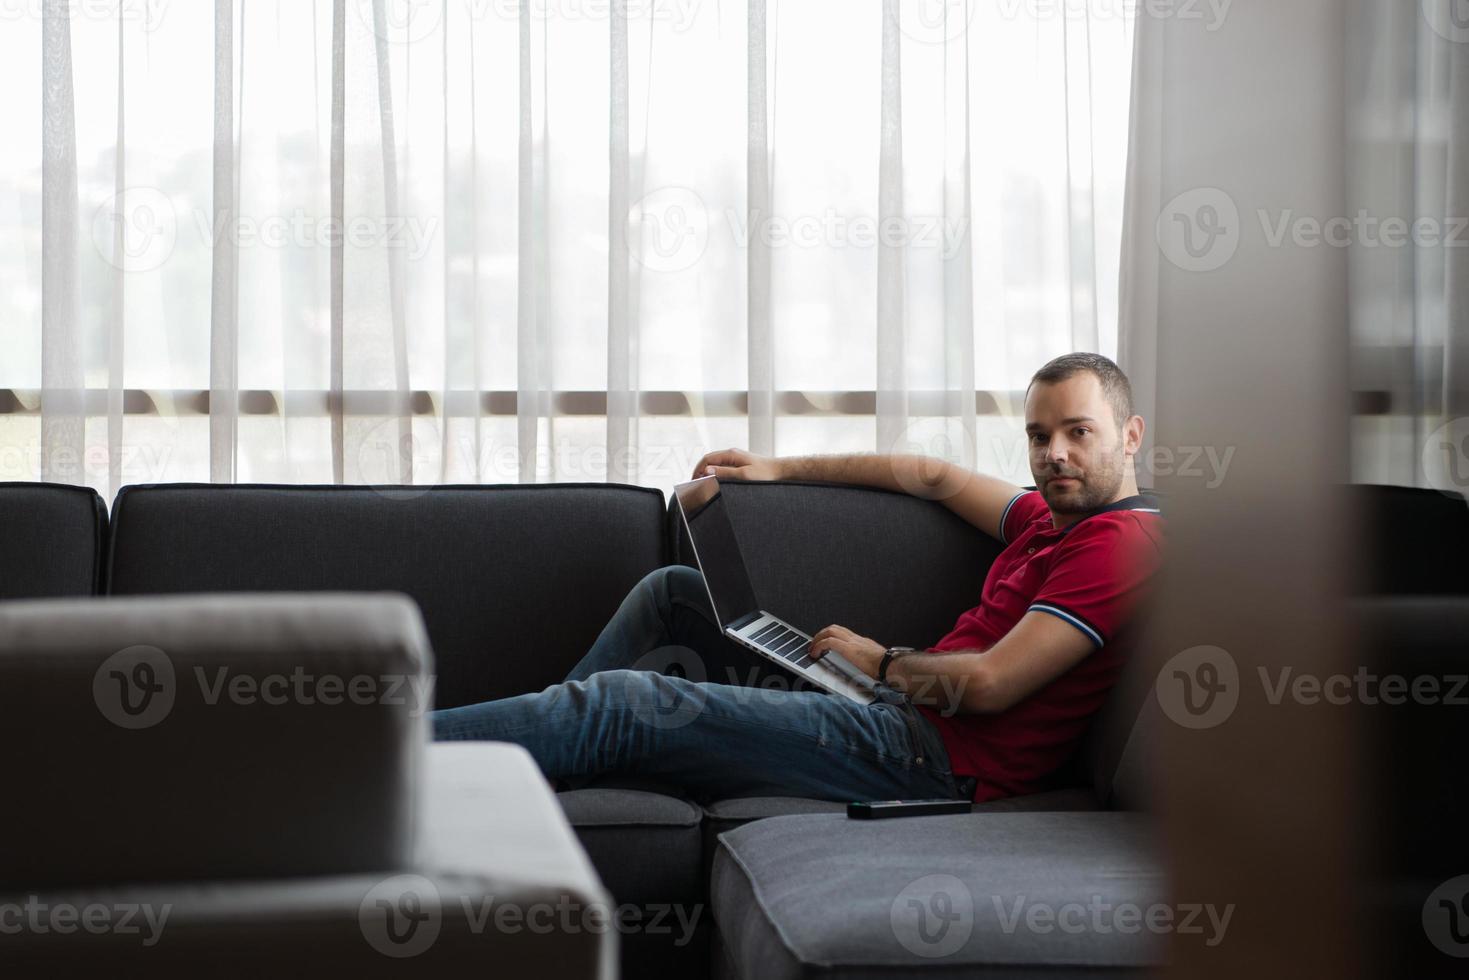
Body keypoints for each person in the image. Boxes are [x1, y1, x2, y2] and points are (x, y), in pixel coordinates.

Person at [434, 353, 1165, 804]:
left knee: (625, 706)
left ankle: (375, 760)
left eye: (1078, 431)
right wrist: (779, 467)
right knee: (674, 595)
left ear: (1128, 436)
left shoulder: (1118, 543)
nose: (1054, 454)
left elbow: (989, 684)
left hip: (928, 758)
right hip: (896, 710)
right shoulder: (1048, 519)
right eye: (1039, 436)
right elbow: (934, 476)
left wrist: (876, 660)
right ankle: (543, 751)